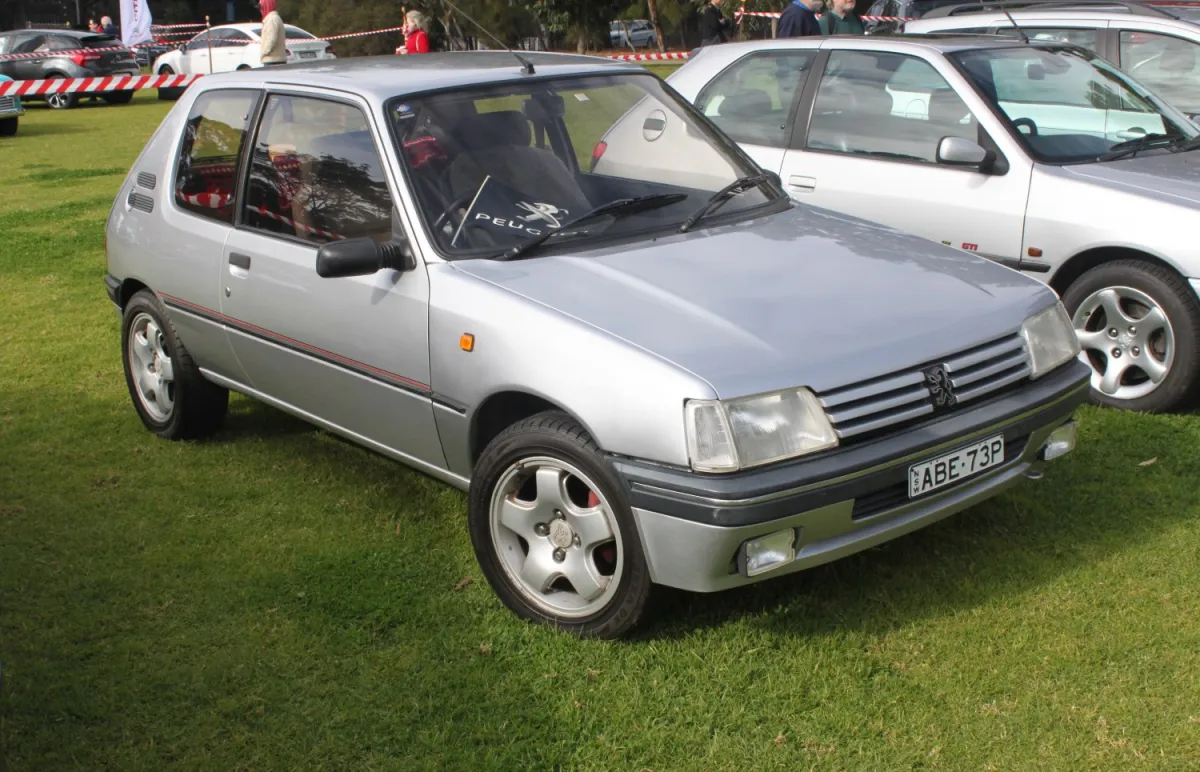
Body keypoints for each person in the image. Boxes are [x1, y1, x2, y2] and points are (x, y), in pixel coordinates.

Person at [258, 0, 286, 66]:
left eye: (261, 7)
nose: (260, 10)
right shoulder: (272, 19)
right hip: (274, 59)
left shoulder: (272, 20)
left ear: (266, 6)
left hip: (273, 60)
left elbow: (271, 39)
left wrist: (263, 53)